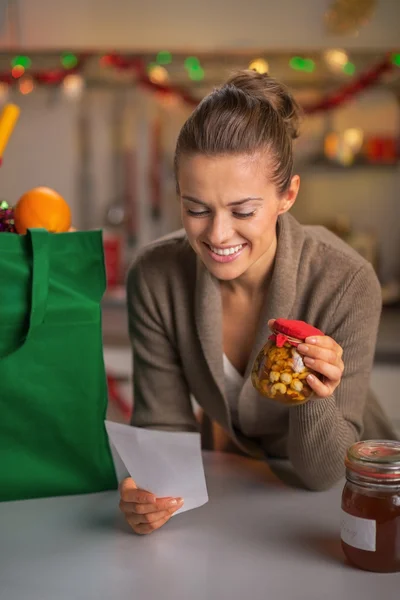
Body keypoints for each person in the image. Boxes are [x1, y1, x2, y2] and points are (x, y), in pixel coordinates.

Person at [118, 70, 397, 535]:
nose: (218, 235)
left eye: (243, 211)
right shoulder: (155, 277)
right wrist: (149, 492)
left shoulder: (346, 281)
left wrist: (313, 397)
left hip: (346, 498)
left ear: (287, 195)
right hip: (235, 489)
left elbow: (323, 474)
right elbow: (163, 426)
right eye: (196, 208)